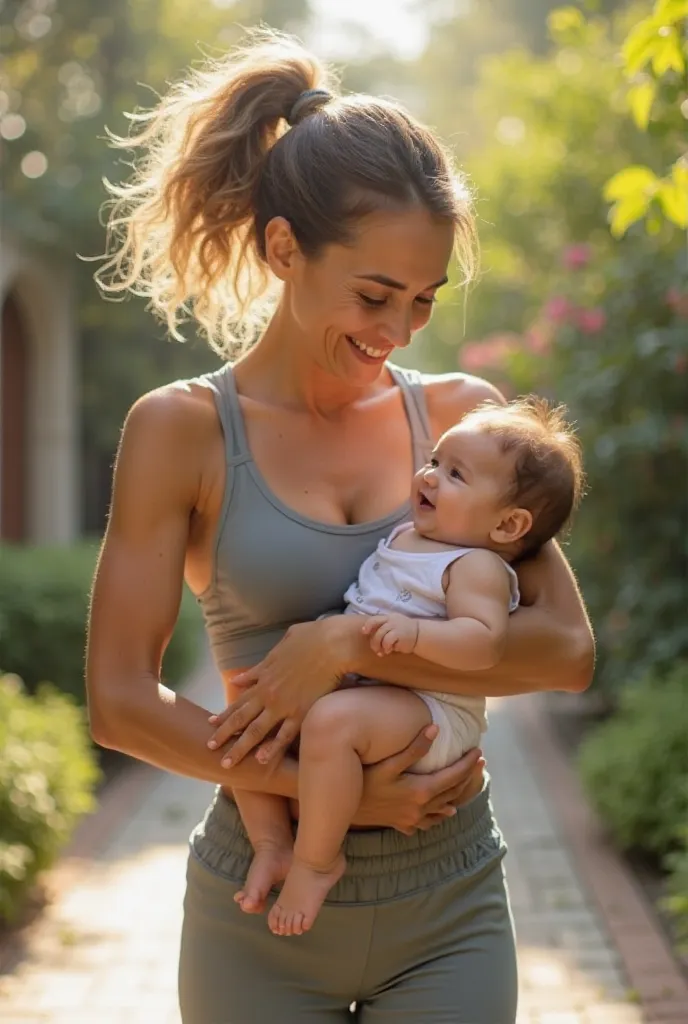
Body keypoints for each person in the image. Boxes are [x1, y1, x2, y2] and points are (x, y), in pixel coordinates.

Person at [86, 30, 594, 1024]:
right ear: (284, 248)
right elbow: (118, 700)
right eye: (374, 294)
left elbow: (566, 651)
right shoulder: (181, 430)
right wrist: (338, 798)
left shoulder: (461, 420)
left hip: (449, 898)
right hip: (258, 902)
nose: (400, 329)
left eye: (423, 300)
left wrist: (349, 642)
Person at [209, 397, 584, 938]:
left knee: (332, 724)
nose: (429, 476)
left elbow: (481, 645)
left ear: (509, 524)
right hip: (376, 693)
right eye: (434, 460)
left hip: (432, 711)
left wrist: (415, 634)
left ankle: (317, 864)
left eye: (454, 474)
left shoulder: (476, 566)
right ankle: (270, 844)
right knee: (254, 716)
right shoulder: (415, 537)